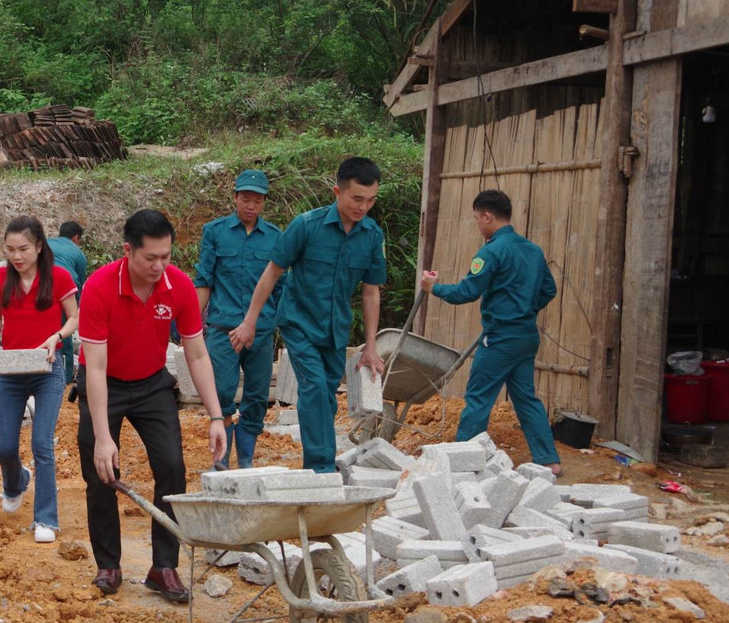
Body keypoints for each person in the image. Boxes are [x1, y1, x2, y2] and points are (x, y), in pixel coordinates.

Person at [77, 209, 228, 603]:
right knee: (101, 471)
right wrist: (104, 437)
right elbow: (94, 366)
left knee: (172, 466)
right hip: (104, 382)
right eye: (150, 258)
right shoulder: (99, 287)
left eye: (166, 256)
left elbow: (196, 354)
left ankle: (163, 567)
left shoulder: (177, 286)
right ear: (128, 250)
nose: (160, 266)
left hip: (151, 383)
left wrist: (216, 416)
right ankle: (108, 564)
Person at [230, 157, 388, 473]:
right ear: (337, 192)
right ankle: (322, 468)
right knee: (314, 387)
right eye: (357, 198)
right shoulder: (306, 226)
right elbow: (271, 274)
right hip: (298, 322)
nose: (363, 207)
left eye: (370, 200)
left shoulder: (371, 235)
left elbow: (371, 292)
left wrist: (370, 346)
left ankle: (312, 467)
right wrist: (249, 322)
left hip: (335, 330)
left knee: (326, 398)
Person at [421, 189, 561, 473]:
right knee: (525, 398)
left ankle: (463, 462)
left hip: (499, 339)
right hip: (526, 336)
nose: (477, 225)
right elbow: (549, 290)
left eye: (477, 219)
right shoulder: (533, 250)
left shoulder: (491, 251)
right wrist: (525, 310)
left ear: (487, 216)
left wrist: (433, 288)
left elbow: (466, 292)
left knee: (478, 398)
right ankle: (549, 461)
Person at [0, 216, 80, 544]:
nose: (16, 255)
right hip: (12, 370)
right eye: (10, 249)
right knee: (4, 446)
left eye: (23, 248)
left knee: (42, 444)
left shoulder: (58, 277)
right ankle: (16, 482)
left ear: (39, 246)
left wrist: (56, 336)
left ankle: (46, 520)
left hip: (48, 369)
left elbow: (74, 318)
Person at [193, 169, 284, 470]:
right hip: (223, 328)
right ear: (235, 198)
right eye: (245, 199)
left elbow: (281, 285)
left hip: (260, 331)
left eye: (257, 201)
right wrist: (191, 326)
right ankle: (221, 464)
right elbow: (204, 280)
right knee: (221, 393)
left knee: (257, 396)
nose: (251, 206)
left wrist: (278, 322)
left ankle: (245, 462)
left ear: (263, 203)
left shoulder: (275, 237)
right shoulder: (215, 232)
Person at [47, 221, 89, 382]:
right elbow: (77, 284)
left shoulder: (45, 243)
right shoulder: (78, 254)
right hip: (62, 290)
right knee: (65, 332)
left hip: (39, 286)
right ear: (76, 237)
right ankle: (66, 375)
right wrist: (74, 310)